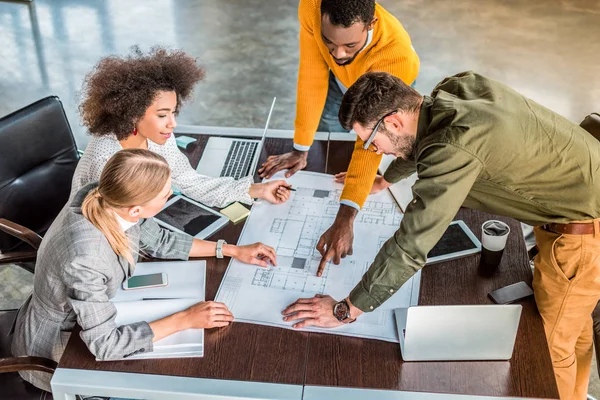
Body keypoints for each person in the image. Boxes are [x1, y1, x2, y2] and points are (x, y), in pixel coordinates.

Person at [282, 71, 600, 400]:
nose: (372, 150)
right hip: (575, 202)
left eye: (369, 140)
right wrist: (386, 180)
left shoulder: (453, 147)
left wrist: (345, 310)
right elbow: (424, 142)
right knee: (575, 335)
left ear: (392, 121)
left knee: (548, 355)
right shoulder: (453, 89)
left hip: (581, 236)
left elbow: (410, 245)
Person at [12, 149, 277, 392]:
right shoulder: (86, 257)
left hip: (90, 313)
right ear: (136, 209)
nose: (172, 194)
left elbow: (159, 239)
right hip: (58, 346)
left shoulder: (106, 195)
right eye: (165, 194)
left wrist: (231, 250)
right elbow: (106, 345)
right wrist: (185, 319)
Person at [258, 0, 419, 268]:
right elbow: (312, 75)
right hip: (338, 80)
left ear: (371, 24)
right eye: (329, 43)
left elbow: (368, 144)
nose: (339, 53)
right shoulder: (311, 7)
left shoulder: (395, 58)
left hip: (385, 81)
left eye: (350, 45)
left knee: (367, 152)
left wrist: (346, 218)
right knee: (331, 149)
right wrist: (301, 147)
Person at [74, 46, 291, 207]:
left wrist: (257, 189)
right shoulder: (105, 163)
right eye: (162, 115)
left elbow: (188, 181)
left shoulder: (159, 138)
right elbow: (107, 226)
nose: (172, 123)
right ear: (132, 113)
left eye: (173, 112)